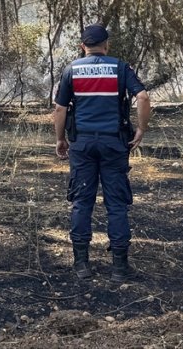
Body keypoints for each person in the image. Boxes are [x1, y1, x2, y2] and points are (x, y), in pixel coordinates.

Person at [53, 23, 151, 281]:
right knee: (116, 204)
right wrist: (141, 128)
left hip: (82, 145)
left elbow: (60, 109)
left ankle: (82, 265)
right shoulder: (120, 67)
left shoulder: (71, 69)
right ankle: (119, 267)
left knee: (81, 202)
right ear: (106, 45)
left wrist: (60, 139)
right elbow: (142, 97)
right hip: (114, 145)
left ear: (82, 46)